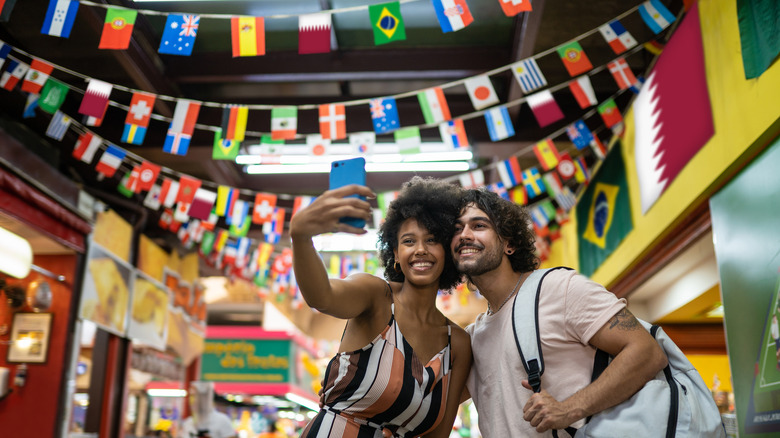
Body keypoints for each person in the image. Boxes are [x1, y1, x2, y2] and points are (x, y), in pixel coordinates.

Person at [452, 188, 668, 437]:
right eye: (456, 229)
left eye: (478, 225)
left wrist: (569, 409)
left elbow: (648, 352)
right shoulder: (472, 336)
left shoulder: (558, 289)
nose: (464, 235)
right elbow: (432, 403)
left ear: (509, 243)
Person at [290, 177, 472, 437]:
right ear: (395, 254)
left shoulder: (458, 344)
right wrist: (301, 236)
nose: (420, 249)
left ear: (447, 252)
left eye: (432, 240)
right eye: (409, 241)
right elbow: (323, 297)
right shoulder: (377, 296)